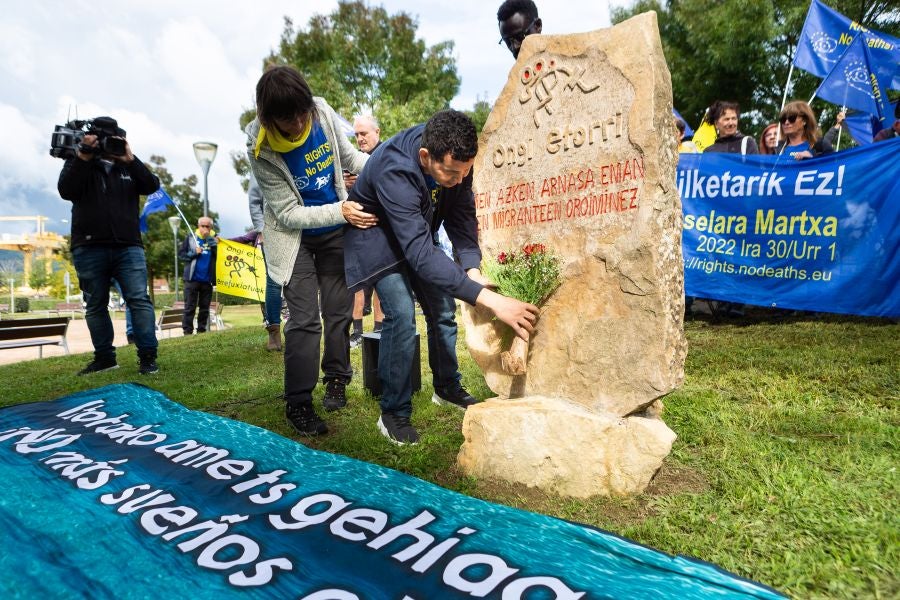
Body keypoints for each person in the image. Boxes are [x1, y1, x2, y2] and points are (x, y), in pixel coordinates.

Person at [344, 109, 539, 445]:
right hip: (377, 238)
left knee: (443, 310)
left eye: (465, 173)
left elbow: (462, 218)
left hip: (417, 230)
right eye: (451, 173)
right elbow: (420, 254)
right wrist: (491, 300)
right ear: (425, 156)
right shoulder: (396, 168)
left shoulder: (456, 158)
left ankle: (447, 388)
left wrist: (473, 271)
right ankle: (393, 413)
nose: (459, 180)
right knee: (403, 315)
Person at [246, 65, 375, 437]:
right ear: (268, 118)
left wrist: (391, 169)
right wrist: (342, 210)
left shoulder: (319, 110)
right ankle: (298, 402)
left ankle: (336, 379)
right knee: (303, 319)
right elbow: (286, 211)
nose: (299, 123)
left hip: (336, 229)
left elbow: (351, 160)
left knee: (338, 312)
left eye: (302, 114)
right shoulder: (258, 144)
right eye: (288, 120)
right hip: (294, 236)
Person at [57, 116, 160, 375]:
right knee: (95, 304)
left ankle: (148, 357)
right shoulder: (79, 162)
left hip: (128, 245)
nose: (109, 145)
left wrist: (131, 159)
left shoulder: (127, 166)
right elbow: (66, 190)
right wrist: (83, 157)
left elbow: (151, 185)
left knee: (139, 300)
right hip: (89, 246)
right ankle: (104, 358)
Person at [344, 115, 384, 347]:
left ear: (376, 131)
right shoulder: (351, 158)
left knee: (381, 280)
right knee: (357, 281)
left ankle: (379, 328)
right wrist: (349, 184)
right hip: (356, 227)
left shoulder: (385, 154)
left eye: (364, 134)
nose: (359, 138)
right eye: (356, 135)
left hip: (379, 225)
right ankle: (357, 332)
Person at [248, 172, 285, 351]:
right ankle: (274, 330)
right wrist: (261, 231)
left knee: (299, 278)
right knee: (273, 281)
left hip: (298, 226)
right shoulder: (260, 158)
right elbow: (254, 200)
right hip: (271, 231)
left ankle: (298, 329)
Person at [178, 216, 217, 335]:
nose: (205, 228)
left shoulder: (215, 239)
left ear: (211, 228)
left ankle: (201, 331)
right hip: (191, 279)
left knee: (204, 308)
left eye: (207, 226)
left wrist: (209, 239)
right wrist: (194, 253)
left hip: (207, 280)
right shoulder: (190, 238)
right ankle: (187, 332)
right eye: (202, 226)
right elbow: (181, 255)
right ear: (198, 226)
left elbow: (218, 254)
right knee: (190, 307)